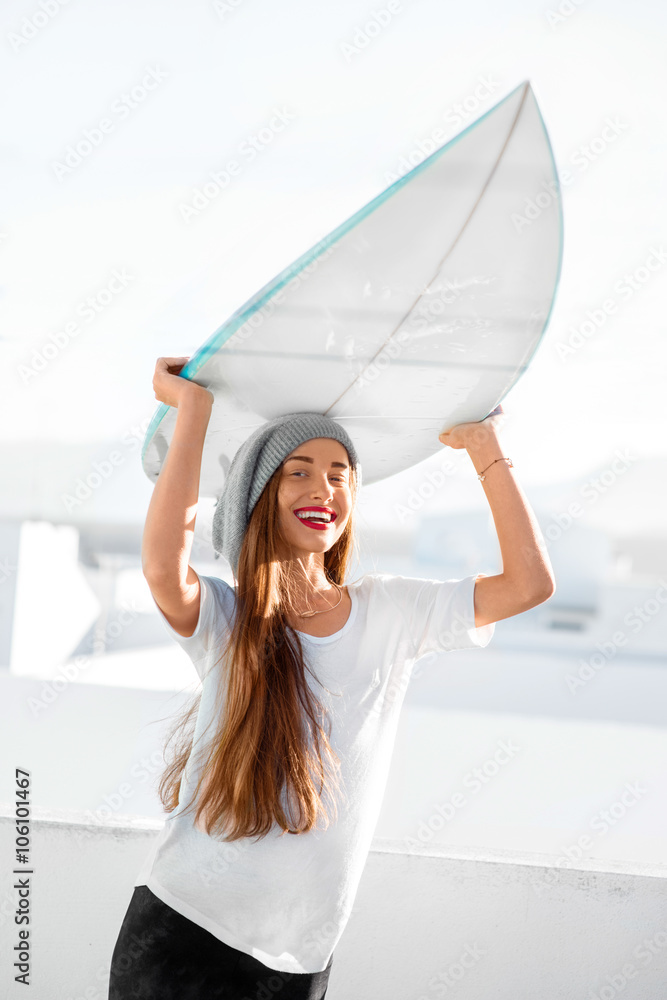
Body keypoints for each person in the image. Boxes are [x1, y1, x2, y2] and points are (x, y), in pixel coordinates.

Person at [108, 356, 555, 1000]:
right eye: (299, 472)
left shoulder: (391, 612)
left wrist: (488, 451)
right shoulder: (230, 619)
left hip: (301, 957)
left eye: (341, 475)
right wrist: (193, 412)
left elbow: (528, 585)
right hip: (185, 927)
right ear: (260, 498)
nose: (325, 489)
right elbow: (162, 567)